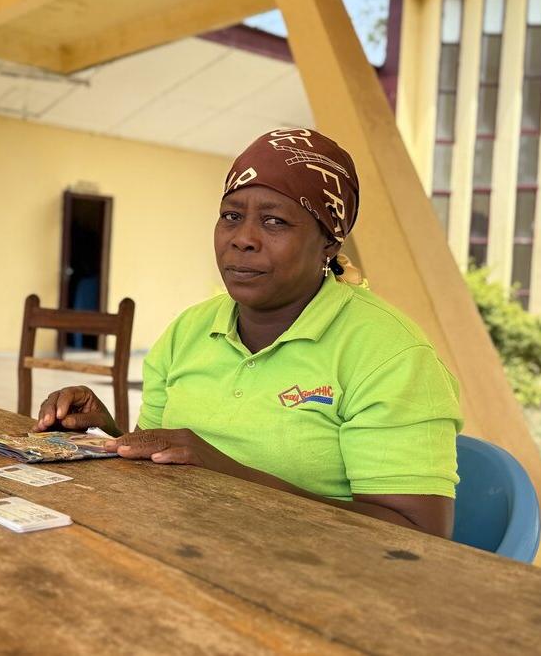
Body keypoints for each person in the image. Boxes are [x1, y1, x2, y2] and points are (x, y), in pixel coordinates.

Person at [34, 128, 461, 538]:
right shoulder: (188, 331)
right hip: (182, 548)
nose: (243, 239)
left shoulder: (391, 355)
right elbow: (159, 468)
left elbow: (418, 537)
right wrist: (106, 434)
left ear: (330, 242)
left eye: (274, 222)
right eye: (231, 217)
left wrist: (223, 471)